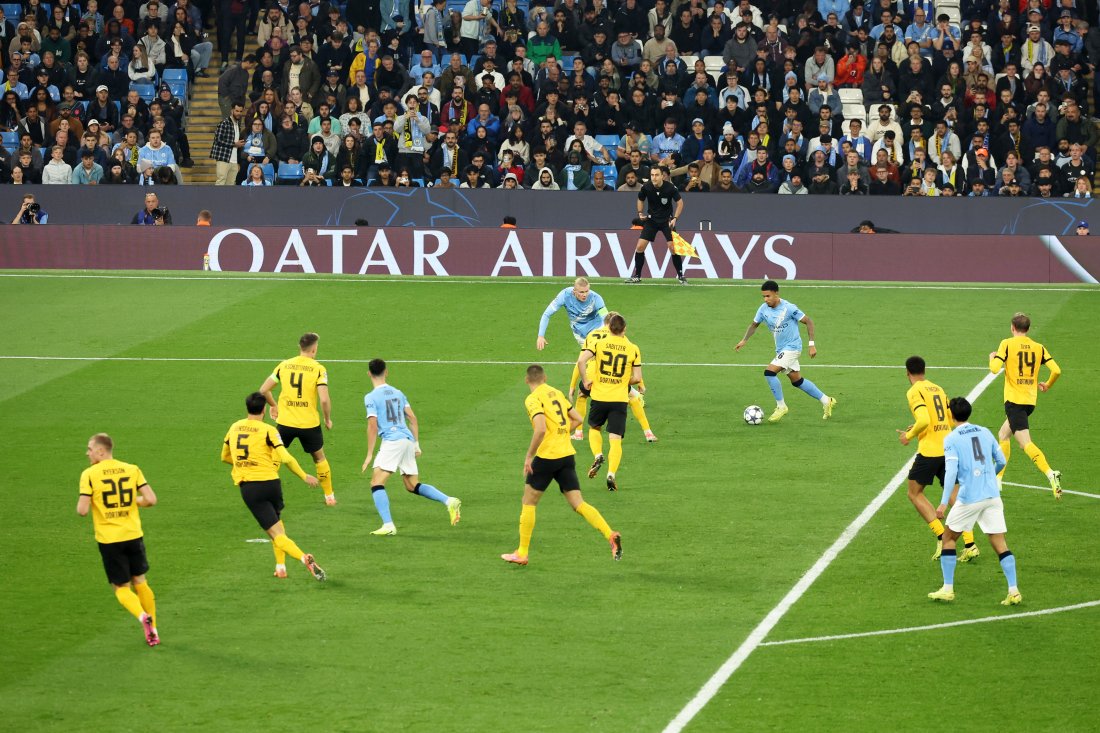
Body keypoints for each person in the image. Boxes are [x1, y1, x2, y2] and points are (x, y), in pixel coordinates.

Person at [500, 364, 623, 566]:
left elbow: (540, 429)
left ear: (526, 380)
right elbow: (577, 418)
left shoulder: (532, 399)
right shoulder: (556, 392)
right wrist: (562, 433)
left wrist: (529, 456)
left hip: (547, 457)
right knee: (579, 504)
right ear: (545, 377)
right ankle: (610, 534)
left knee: (528, 502)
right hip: (566, 455)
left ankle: (522, 552)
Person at [222, 392, 326, 581]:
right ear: (264, 409)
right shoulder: (269, 430)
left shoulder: (234, 427)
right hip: (272, 483)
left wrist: (244, 464)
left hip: (251, 487)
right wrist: (304, 476)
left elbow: (225, 457)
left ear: (247, 408)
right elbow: (285, 457)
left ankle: (303, 558)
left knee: (274, 533)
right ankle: (280, 568)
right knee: (277, 524)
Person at [928, 397, 1021, 606]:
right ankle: (1013, 590)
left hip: (969, 498)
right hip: (992, 496)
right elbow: (1002, 461)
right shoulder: (985, 432)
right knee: (1000, 544)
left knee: (949, 538)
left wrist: (943, 503)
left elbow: (951, 472)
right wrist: (989, 478)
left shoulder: (951, 439)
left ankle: (947, 588)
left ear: (951, 414)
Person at [360, 358, 462, 535]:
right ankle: (449, 501)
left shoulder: (370, 397)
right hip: (406, 439)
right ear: (386, 371)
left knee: (376, 482)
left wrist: (369, 453)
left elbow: (372, 426)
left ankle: (388, 526)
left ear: (369, 373)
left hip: (392, 441)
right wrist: (416, 444)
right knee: (411, 484)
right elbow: (412, 419)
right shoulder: (398, 393)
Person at [77, 433, 161, 646]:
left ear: (100, 451)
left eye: (89, 449)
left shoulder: (89, 474)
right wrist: (134, 502)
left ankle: (142, 617)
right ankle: (154, 630)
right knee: (140, 581)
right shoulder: (132, 469)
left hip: (109, 539)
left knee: (121, 587)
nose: (87, 453)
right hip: (133, 534)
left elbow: (82, 510)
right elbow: (151, 499)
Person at [897, 356, 979, 561]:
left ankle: (942, 537)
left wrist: (909, 435)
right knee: (954, 494)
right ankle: (970, 544)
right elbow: (949, 420)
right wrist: (918, 427)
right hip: (948, 448)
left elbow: (924, 419)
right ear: (924, 370)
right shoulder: (938, 389)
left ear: (907, 373)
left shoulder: (914, 391)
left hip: (930, 452)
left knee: (914, 493)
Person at [735, 280, 837, 423]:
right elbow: (754, 324)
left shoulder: (789, 308)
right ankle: (827, 400)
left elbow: (808, 321)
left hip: (793, 348)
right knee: (797, 381)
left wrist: (811, 344)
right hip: (781, 349)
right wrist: (744, 340)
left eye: (768, 296)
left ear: (776, 293)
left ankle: (781, 406)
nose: (765, 299)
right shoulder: (763, 309)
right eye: (763, 296)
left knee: (769, 373)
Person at [989, 313, 1063, 497]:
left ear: (1012, 327)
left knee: (1025, 443)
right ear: (1028, 329)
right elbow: (1056, 370)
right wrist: (1047, 384)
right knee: (1003, 434)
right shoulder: (1039, 347)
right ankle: (997, 479)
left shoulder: (1006, 344)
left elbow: (994, 369)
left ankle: (1050, 473)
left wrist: (993, 357)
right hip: (1030, 401)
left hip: (1015, 402)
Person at [258, 332, 336, 506]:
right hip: (309, 424)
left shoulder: (284, 365)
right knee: (319, 458)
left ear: (300, 347)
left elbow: (263, 390)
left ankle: (265, 494)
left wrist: (273, 405)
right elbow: (324, 399)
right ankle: (329, 496)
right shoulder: (318, 369)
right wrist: (327, 419)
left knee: (274, 457)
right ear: (314, 349)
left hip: (285, 423)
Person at [577, 313, 642, 492]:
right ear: (624, 329)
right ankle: (611, 473)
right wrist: (622, 381)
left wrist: (585, 381)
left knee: (594, 428)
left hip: (599, 396)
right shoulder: (632, 348)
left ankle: (598, 455)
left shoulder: (599, 343)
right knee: (615, 440)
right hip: (619, 399)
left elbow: (581, 360)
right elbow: (637, 378)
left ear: (609, 328)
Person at [569, 311, 658, 443]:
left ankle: (578, 432)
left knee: (582, 395)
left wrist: (573, 385)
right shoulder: (622, 338)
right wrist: (641, 383)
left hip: (593, 379)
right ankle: (648, 432)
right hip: (614, 381)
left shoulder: (592, 335)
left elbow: (580, 362)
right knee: (632, 398)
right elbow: (632, 361)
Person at [627, 165, 685, 284]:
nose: (654, 177)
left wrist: (675, 218)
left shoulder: (670, 188)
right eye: (652, 175)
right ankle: (637, 276)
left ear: (662, 176)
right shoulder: (646, 187)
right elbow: (640, 199)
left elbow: (680, 203)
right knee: (639, 247)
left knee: (673, 248)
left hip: (667, 221)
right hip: (651, 220)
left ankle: (680, 276)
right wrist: (640, 212)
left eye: (656, 175)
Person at [536, 277, 608, 350]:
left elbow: (605, 317)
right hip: (580, 334)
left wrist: (612, 332)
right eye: (581, 292)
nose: (585, 295)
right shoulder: (565, 296)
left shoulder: (595, 298)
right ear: (574, 291)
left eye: (587, 291)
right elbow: (546, 314)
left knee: (601, 355)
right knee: (589, 359)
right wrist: (540, 336)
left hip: (598, 329)